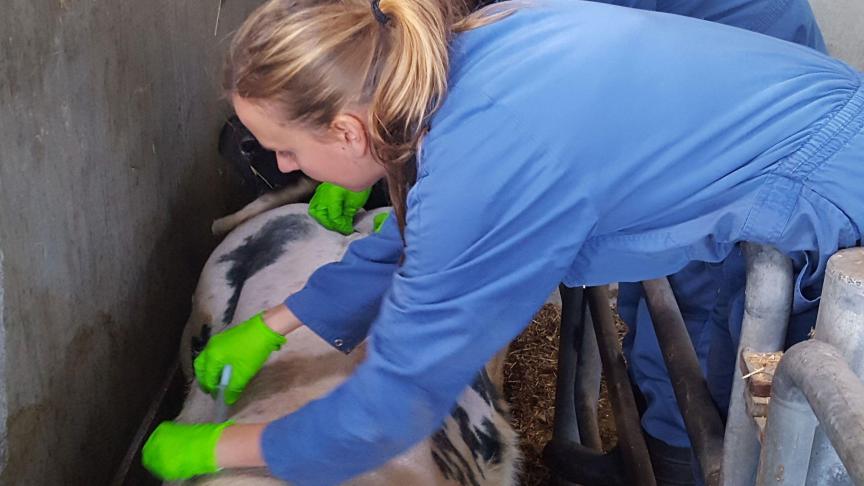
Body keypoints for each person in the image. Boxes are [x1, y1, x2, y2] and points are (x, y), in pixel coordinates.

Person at [141, 0, 864, 484]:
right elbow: (430, 224)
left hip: (842, 211)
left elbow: (391, 406)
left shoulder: (488, 143)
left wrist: (217, 446)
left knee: (826, 441)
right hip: (825, 155)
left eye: (285, 152)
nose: (286, 170)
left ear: (347, 131)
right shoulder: (460, 56)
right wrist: (278, 321)